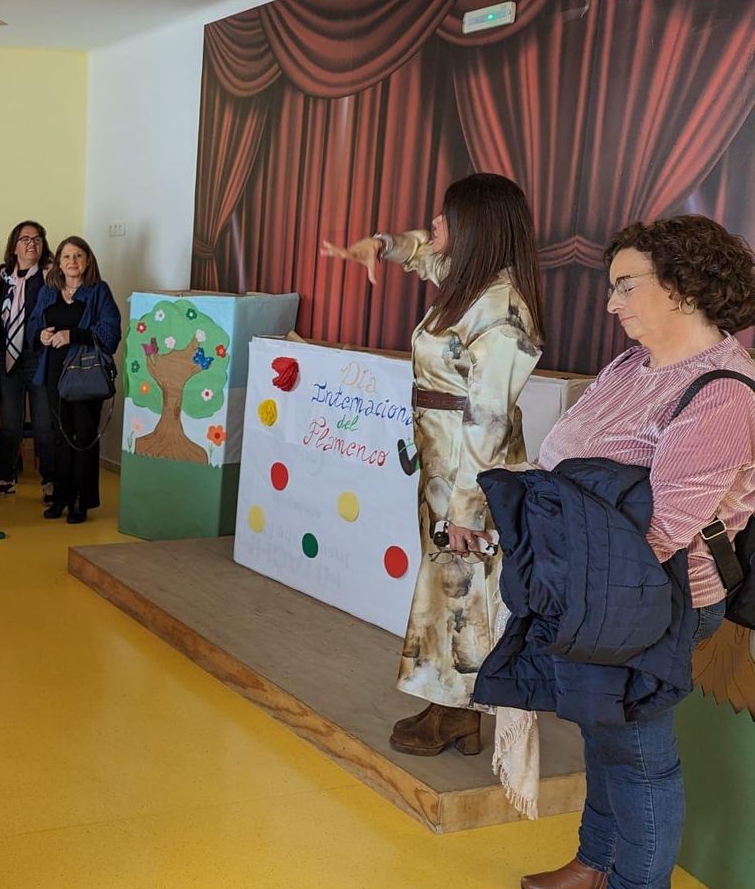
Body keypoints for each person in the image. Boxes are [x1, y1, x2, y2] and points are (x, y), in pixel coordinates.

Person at [512, 216, 755, 889]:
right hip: (593, 583)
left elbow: (665, 529)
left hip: (654, 596)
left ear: (680, 287)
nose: (611, 304)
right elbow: (563, 454)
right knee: (602, 727)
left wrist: (565, 570)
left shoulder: (722, 392)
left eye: (625, 286)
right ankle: (595, 861)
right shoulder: (630, 366)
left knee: (641, 754)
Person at [320, 172, 546, 756]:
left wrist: (471, 508)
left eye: (446, 216)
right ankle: (451, 707)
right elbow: (423, 248)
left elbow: (489, 421)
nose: (434, 223)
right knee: (449, 587)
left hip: (471, 472)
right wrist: (382, 244)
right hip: (442, 464)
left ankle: (460, 709)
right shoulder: (471, 285)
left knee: (465, 587)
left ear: (475, 227)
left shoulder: (502, 311)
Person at [27, 236, 121, 524]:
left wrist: (73, 335)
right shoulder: (48, 291)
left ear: (87, 261)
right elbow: (33, 325)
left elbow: (110, 333)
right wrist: (40, 335)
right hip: (54, 372)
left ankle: (82, 500)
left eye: (78, 256)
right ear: (58, 262)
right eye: (66, 256)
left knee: (83, 437)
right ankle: (61, 497)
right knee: (60, 437)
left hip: (85, 373)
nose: (72, 262)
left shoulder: (98, 291)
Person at [0, 220, 55, 502]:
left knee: (43, 423)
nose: (31, 244)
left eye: (37, 239)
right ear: (14, 246)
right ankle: (5, 477)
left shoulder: (50, 276)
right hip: (7, 357)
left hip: (39, 357)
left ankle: (51, 481)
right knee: (10, 421)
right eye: (25, 239)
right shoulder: (1, 278)